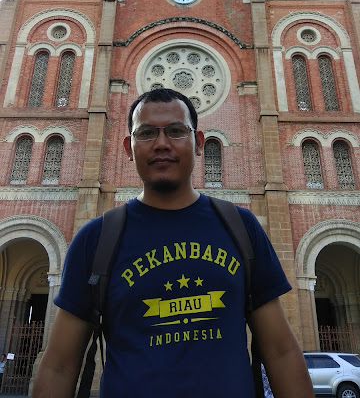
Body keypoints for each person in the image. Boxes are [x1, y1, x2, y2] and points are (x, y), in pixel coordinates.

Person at [32, 88, 314, 398]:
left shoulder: (241, 227)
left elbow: (282, 352)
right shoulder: (96, 239)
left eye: (177, 131)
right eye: (147, 133)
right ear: (129, 147)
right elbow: (59, 365)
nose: (162, 143)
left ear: (198, 143)